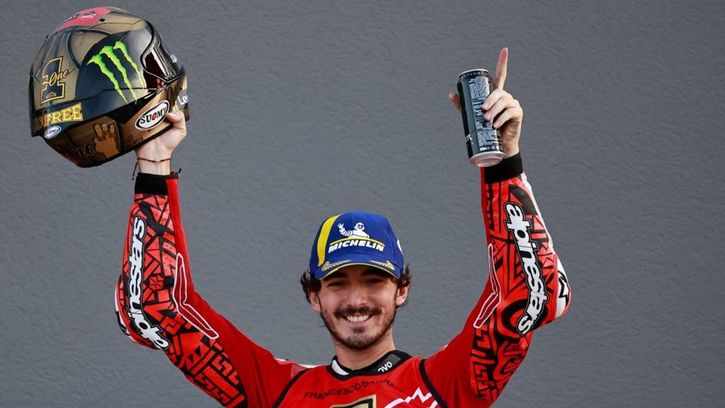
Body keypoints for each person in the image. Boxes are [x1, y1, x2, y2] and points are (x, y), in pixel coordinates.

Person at [115, 48, 571, 407]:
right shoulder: (274, 391)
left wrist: (503, 164)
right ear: (314, 295)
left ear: (402, 289)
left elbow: (532, 295)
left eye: (374, 279)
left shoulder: (448, 384)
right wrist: (154, 163)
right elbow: (157, 309)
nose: (356, 299)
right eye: (337, 282)